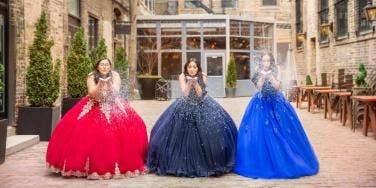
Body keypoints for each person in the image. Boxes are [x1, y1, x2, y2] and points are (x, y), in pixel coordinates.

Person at [46, 58, 148, 179]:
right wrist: (100, 83)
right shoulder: (91, 76)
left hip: (113, 104)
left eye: (107, 64)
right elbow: (92, 93)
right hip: (93, 104)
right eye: (102, 64)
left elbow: (115, 93)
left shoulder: (115, 75)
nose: (104, 67)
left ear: (110, 66)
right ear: (97, 66)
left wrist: (108, 83)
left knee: (129, 127)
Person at [147, 58, 237, 177]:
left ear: (198, 68)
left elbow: (200, 94)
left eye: (194, 67)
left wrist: (195, 83)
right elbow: (185, 93)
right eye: (190, 67)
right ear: (186, 68)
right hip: (184, 105)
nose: (192, 69)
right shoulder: (182, 76)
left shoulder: (203, 76)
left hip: (202, 105)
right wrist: (190, 83)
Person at [234, 52, 319, 179]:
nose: (266, 63)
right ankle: (264, 161)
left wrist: (271, 77)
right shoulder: (257, 73)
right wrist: (263, 77)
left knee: (282, 132)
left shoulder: (276, 70)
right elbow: (259, 87)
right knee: (261, 132)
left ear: (271, 62)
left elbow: (278, 87)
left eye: (268, 61)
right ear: (261, 62)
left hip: (277, 102)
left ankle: (286, 160)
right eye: (264, 61)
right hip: (261, 103)